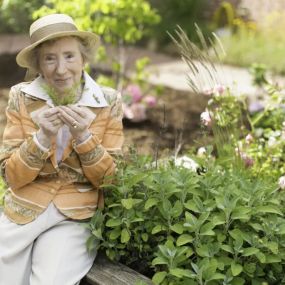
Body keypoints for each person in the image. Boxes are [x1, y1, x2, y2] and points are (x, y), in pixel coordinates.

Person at [0, 13, 124, 285]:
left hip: (75, 214)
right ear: (39, 65)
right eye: (49, 58)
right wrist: (42, 138)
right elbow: (11, 177)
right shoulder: (21, 97)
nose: (60, 69)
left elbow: (111, 180)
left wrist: (83, 137)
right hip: (24, 207)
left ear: (83, 59)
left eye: (69, 56)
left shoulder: (108, 101)